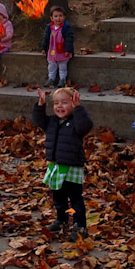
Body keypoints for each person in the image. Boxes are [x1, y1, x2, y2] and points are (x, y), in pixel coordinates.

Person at [31, 87, 93, 239]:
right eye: (56, 103)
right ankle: (62, 219)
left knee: (75, 198)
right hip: (56, 165)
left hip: (72, 166)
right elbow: (39, 120)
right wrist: (40, 105)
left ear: (73, 103)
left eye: (64, 102)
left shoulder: (76, 123)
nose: (60, 106)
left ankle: (79, 225)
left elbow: (85, 126)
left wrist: (78, 109)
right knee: (58, 196)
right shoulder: (52, 122)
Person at [41, 6, 74, 87]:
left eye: (60, 16)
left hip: (62, 51)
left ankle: (62, 79)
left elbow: (69, 39)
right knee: (51, 65)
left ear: (64, 17)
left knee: (62, 66)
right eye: (55, 16)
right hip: (52, 50)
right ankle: (51, 78)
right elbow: (46, 38)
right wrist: (43, 48)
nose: (58, 18)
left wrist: (67, 50)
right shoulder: (49, 28)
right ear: (51, 18)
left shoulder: (66, 28)